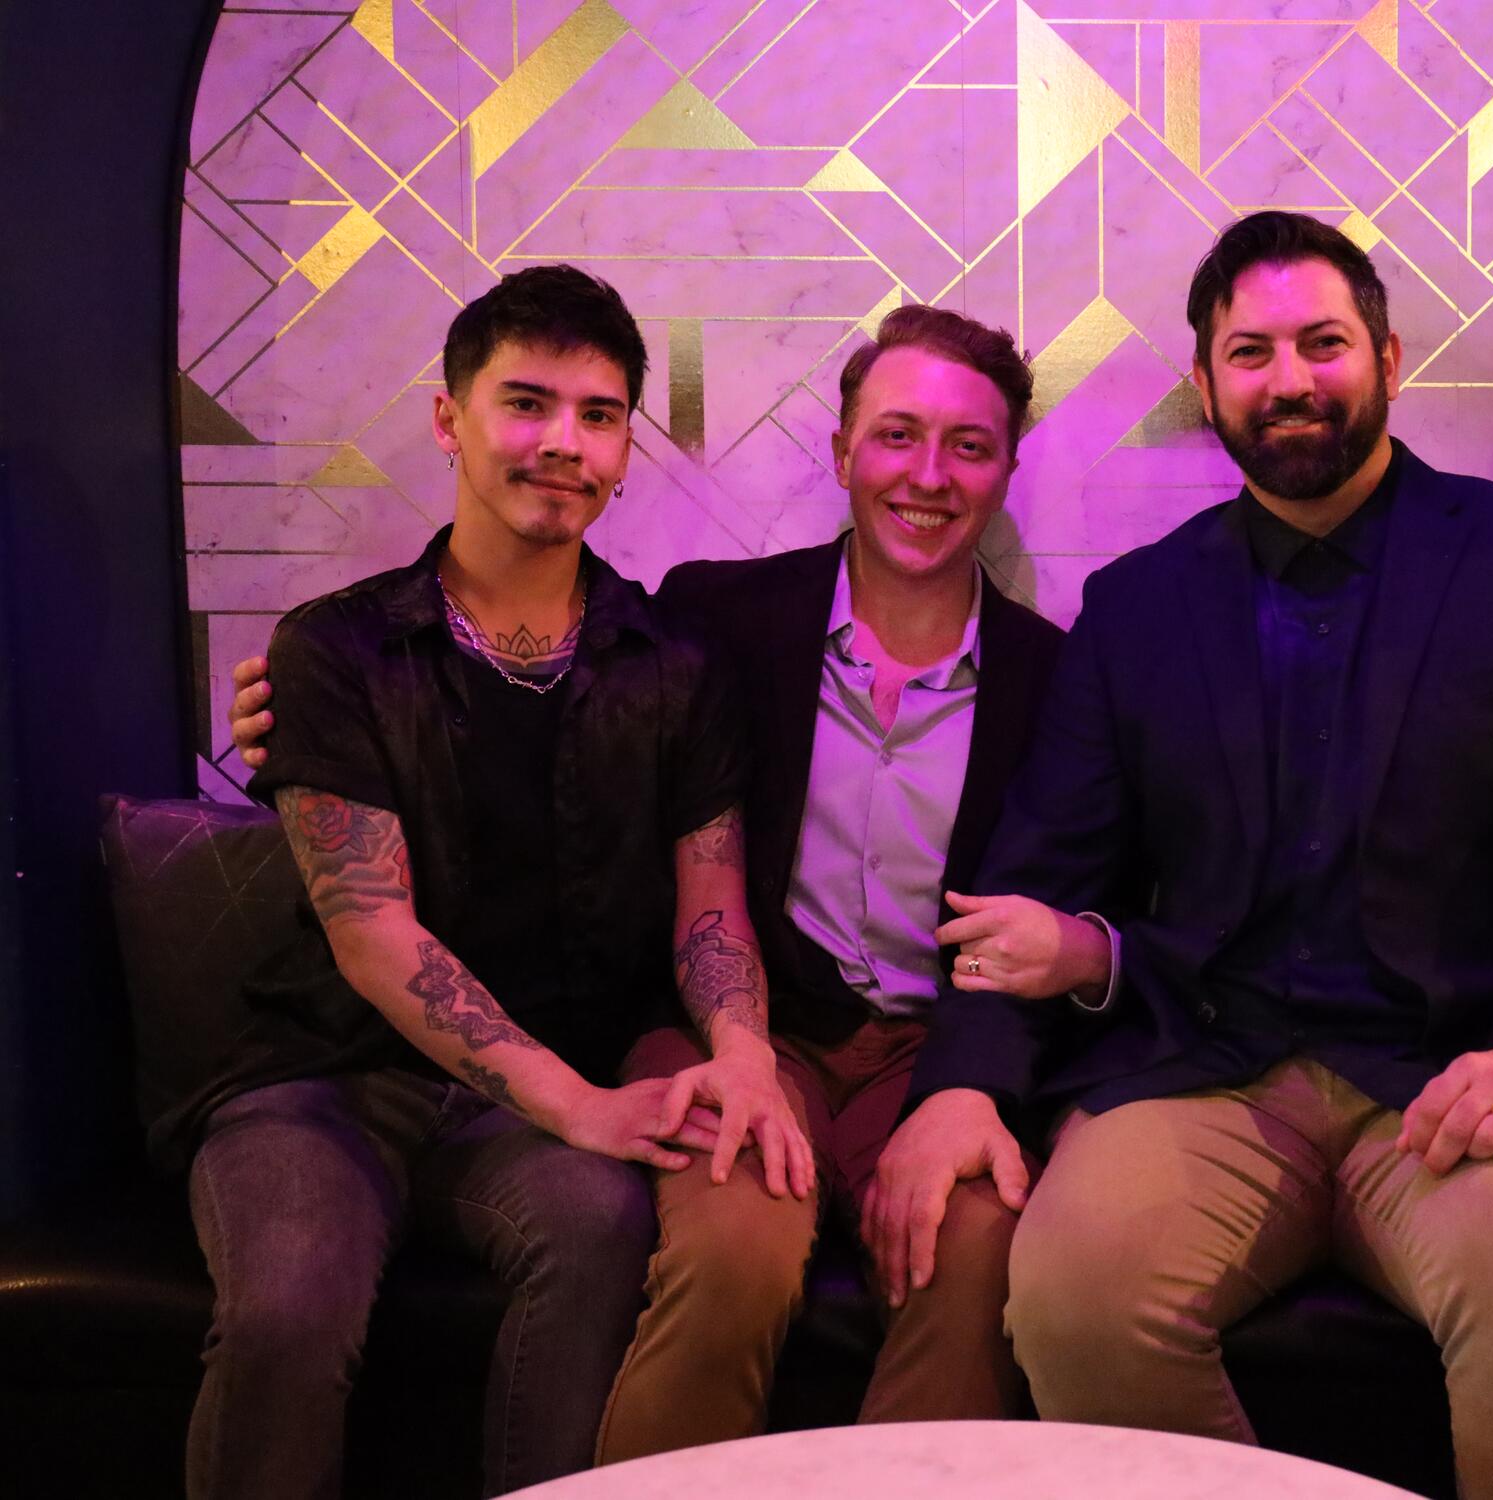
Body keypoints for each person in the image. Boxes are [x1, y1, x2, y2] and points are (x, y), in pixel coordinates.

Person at [903, 211, 1493, 1500]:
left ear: (1387, 358)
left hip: (1460, 1067)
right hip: (1205, 1066)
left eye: (1322, 343)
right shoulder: (1138, 606)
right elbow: (1037, 879)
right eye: (1251, 352)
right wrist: (964, 1084)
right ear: (1206, 382)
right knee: (1071, 1294)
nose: (1290, 379)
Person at [233, 304, 1064, 1456]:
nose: (927, 475)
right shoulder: (716, 621)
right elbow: (481, 769)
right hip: (741, 1031)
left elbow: (1071, 897)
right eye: (896, 435)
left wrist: (973, 1084)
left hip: (925, 1050)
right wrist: (291, 724)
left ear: (1007, 469)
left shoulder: (1054, 680)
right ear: (841, 452)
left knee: (967, 1249)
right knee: (732, 1250)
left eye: (968, 445)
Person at [184, 264, 810, 1500]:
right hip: (326, 1081)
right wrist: (579, 1105)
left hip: (530, 1108)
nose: (562, 442)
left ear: (625, 449)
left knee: (597, 1231)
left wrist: (743, 1052)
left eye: (598, 414)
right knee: (288, 1308)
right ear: (449, 419)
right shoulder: (337, 649)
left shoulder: (675, 663)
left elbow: (711, 906)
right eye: (526, 403)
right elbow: (372, 934)